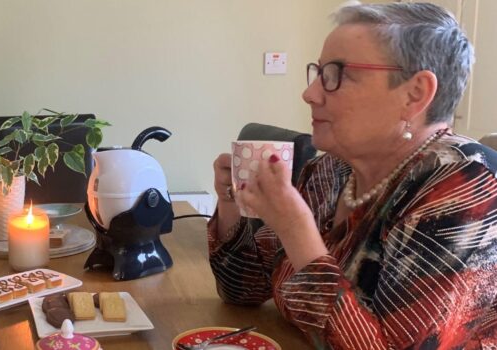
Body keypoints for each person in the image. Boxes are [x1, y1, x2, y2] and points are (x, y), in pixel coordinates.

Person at [209, 3, 497, 349]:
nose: (310, 93)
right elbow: (241, 289)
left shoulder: (465, 186)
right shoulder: (330, 172)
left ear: (415, 93)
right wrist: (230, 201)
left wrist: (296, 230)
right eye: (317, 73)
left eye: (336, 75)